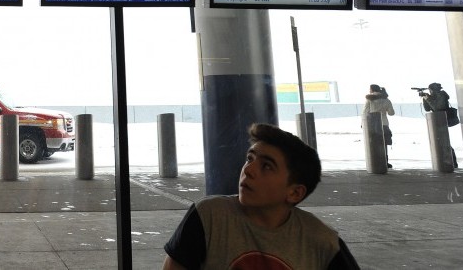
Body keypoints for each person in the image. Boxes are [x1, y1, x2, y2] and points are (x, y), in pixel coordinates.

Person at [162, 123, 359, 269]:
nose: (249, 170)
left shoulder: (322, 242)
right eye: (250, 159)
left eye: (266, 166)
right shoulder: (208, 216)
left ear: (294, 192)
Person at [421, 82, 458, 168]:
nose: (430, 92)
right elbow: (427, 109)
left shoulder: (442, 94)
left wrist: (428, 98)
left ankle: (452, 162)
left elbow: (438, 107)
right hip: (437, 120)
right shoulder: (433, 96)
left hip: (442, 120)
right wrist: (425, 98)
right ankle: (449, 161)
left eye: (430, 90)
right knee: (442, 141)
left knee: (445, 141)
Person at [362, 84, 395, 168]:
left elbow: (365, 112)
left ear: (372, 90)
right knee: (384, 144)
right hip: (384, 124)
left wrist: (362, 124)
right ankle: (385, 162)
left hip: (373, 124)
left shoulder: (369, 99)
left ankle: (375, 162)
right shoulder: (386, 100)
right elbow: (391, 113)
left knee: (374, 144)